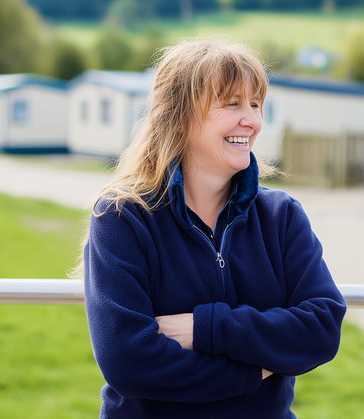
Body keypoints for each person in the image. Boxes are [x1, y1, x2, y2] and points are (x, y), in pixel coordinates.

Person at [80, 39, 346, 418]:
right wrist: (256, 370)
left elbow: (321, 328)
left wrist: (206, 328)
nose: (252, 121)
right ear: (179, 115)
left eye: (255, 104)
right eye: (232, 103)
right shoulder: (123, 217)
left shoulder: (281, 215)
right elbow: (128, 361)